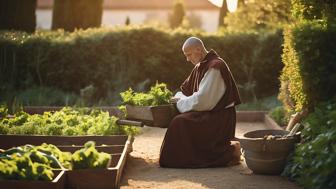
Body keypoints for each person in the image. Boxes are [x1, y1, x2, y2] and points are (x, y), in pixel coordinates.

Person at [159, 37, 242, 168]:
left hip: (218, 117)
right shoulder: (200, 66)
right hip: (209, 111)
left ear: (198, 49)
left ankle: (231, 152)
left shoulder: (215, 66)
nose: (187, 59)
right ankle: (185, 157)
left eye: (189, 55)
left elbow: (203, 100)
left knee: (180, 122)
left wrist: (180, 102)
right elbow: (186, 91)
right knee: (179, 120)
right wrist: (176, 99)